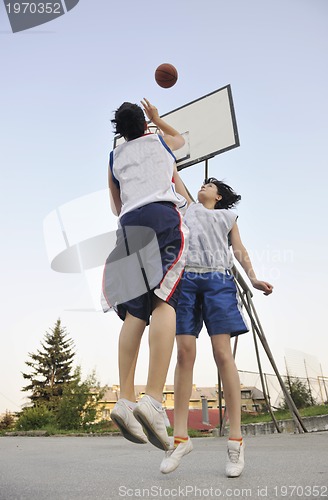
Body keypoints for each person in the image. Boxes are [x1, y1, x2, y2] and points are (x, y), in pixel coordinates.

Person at [159, 176, 273, 477]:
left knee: (223, 353)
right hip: (187, 279)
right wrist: (156, 129)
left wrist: (253, 278)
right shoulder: (189, 208)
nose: (204, 187)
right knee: (184, 353)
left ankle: (235, 441)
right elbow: (173, 171)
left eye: (210, 186)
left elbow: (238, 250)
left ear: (219, 197)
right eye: (203, 184)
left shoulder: (226, 217)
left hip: (218, 281)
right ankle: (180, 439)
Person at [102, 98, 188, 451]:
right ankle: (153, 400)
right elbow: (181, 139)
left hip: (128, 227)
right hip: (161, 219)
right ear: (145, 125)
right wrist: (159, 120)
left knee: (134, 313)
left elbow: (115, 204)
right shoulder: (159, 141)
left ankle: (125, 398)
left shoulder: (114, 158)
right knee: (163, 301)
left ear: (118, 131)